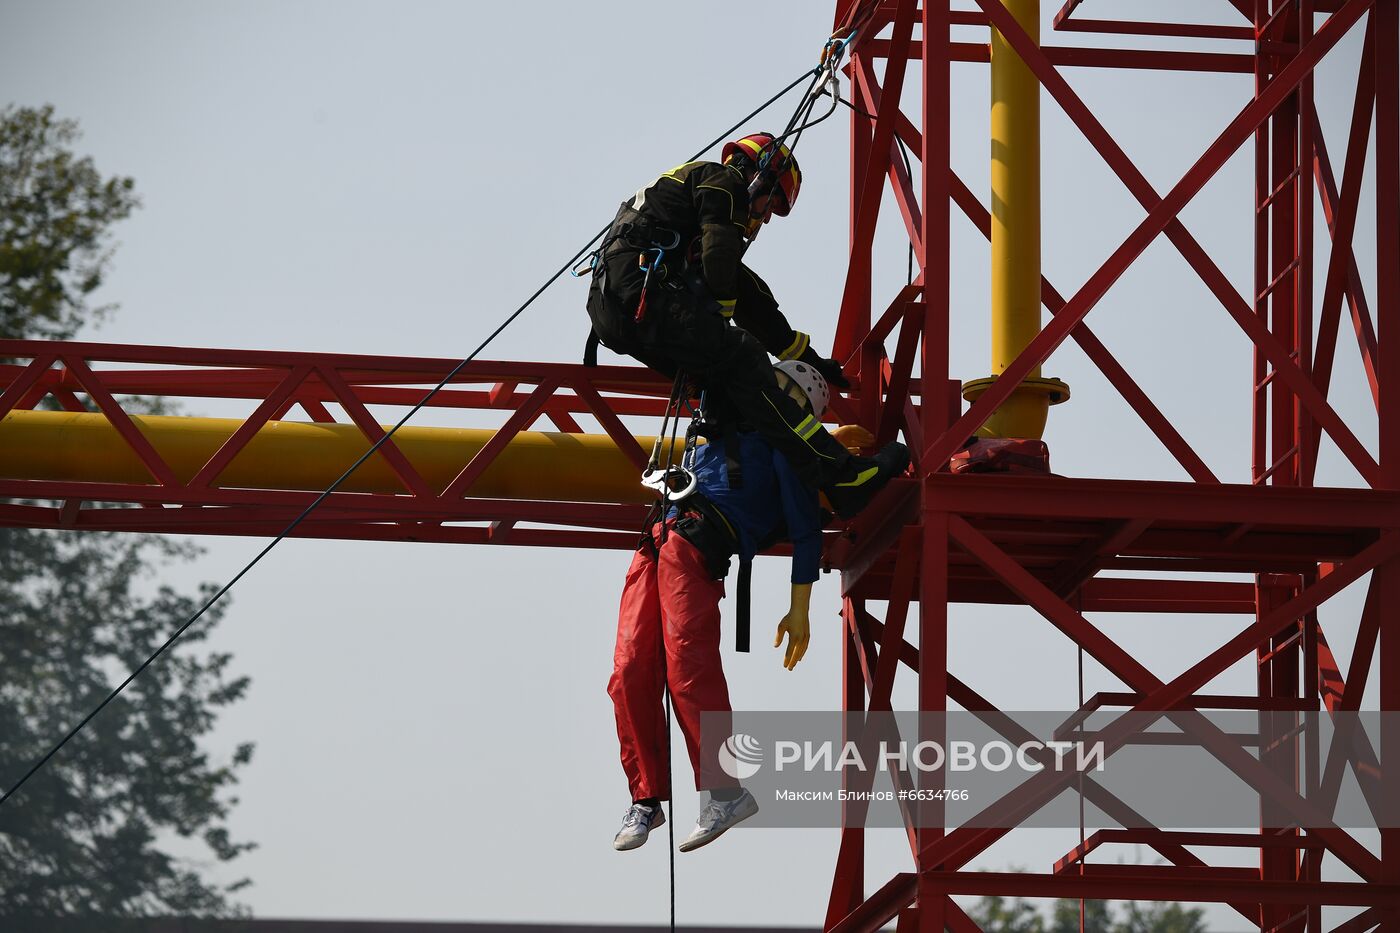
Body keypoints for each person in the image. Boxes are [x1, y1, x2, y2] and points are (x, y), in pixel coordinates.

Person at [608, 360, 873, 853]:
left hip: (695, 550)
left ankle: (726, 791)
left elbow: (805, 530)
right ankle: (646, 798)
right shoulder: (715, 429)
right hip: (658, 542)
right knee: (628, 670)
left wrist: (801, 607)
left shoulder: (787, 448)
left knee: (689, 668)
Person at [585, 131, 908, 520]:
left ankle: (723, 493)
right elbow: (720, 254)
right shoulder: (723, 183)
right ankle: (841, 476)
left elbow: (749, 297)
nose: (766, 215)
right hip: (639, 297)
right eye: (772, 201)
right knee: (743, 357)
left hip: (619, 308)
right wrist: (722, 324)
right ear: (757, 175)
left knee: (728, 390)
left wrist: (810, 357)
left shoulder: (689, 208)